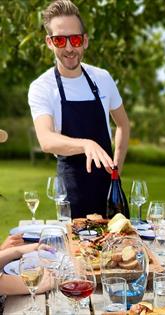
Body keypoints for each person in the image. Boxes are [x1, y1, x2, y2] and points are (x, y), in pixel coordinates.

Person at [28, 0, 130, 218]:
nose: (68, 48)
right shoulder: (42, 87)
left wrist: (116, 169)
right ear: (49, 42)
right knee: (77, 251)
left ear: (85, 41)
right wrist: (85, 144)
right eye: (59, 40)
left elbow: (123, 124)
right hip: (71, 196)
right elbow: (46, 140)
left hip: (109, 193)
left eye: (74, 39)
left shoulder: (102, 78)